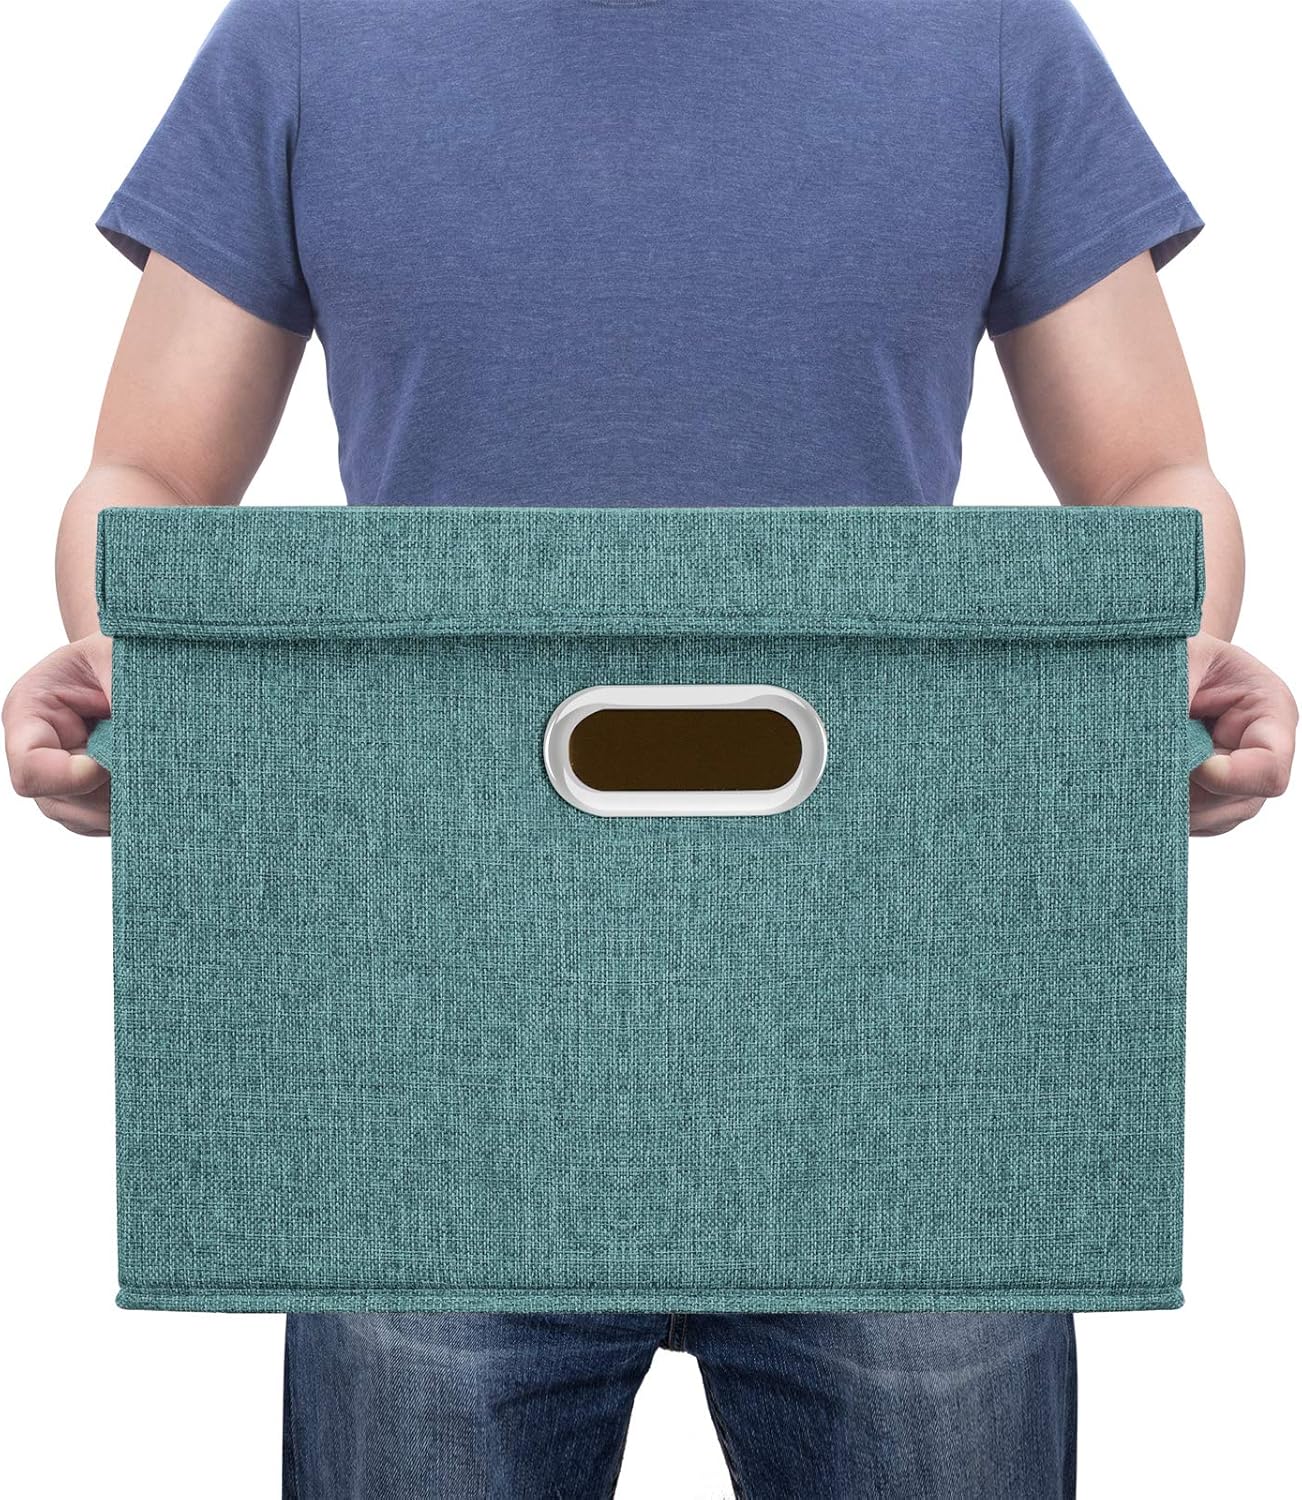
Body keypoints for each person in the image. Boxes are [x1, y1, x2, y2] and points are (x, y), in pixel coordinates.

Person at [5, 1, 1295, 1496]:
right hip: (434, 1035)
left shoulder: (991, 31)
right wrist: (142, 672)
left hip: (900, 1035)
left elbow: (1150, 476)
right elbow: (148, 476)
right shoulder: (308, 32)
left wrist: (1159, 671)